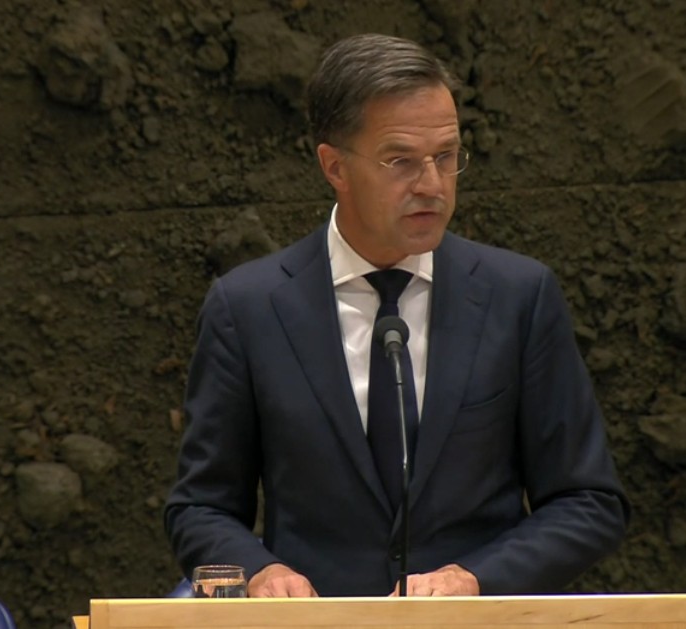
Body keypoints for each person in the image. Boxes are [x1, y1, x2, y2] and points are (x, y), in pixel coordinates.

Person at [164, 32, 629, 598]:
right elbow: (201, 506)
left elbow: (588, 500)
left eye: (446, 157)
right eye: (401, 161)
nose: (431, 185)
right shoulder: (248, 308)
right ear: (335, 167)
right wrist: (262, 572)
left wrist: (476, 578)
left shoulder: (518, 297)